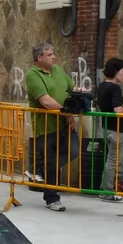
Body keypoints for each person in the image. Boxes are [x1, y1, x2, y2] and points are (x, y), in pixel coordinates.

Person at [25, 43, 80, 212]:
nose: (54, 57)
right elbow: (45, 101)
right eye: (49, 55)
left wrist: (80, 92)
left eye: (53, 54)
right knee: (50, 161)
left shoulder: (58, 70)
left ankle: (38, 169)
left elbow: (72, 89)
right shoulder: (33, 74)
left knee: (73, 151)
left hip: (65, 123)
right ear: (39, 58)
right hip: (46, 126)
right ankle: (52, 199)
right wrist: (66, 112)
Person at [96, 57, 123, 203]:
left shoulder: (102, 86)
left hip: (107, 127)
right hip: (117, 129)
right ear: (116, 72)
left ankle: (105, 189)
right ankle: (108, 192)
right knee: (112, 161)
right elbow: (118, 110)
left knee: (110, 160)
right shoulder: (115, 88)